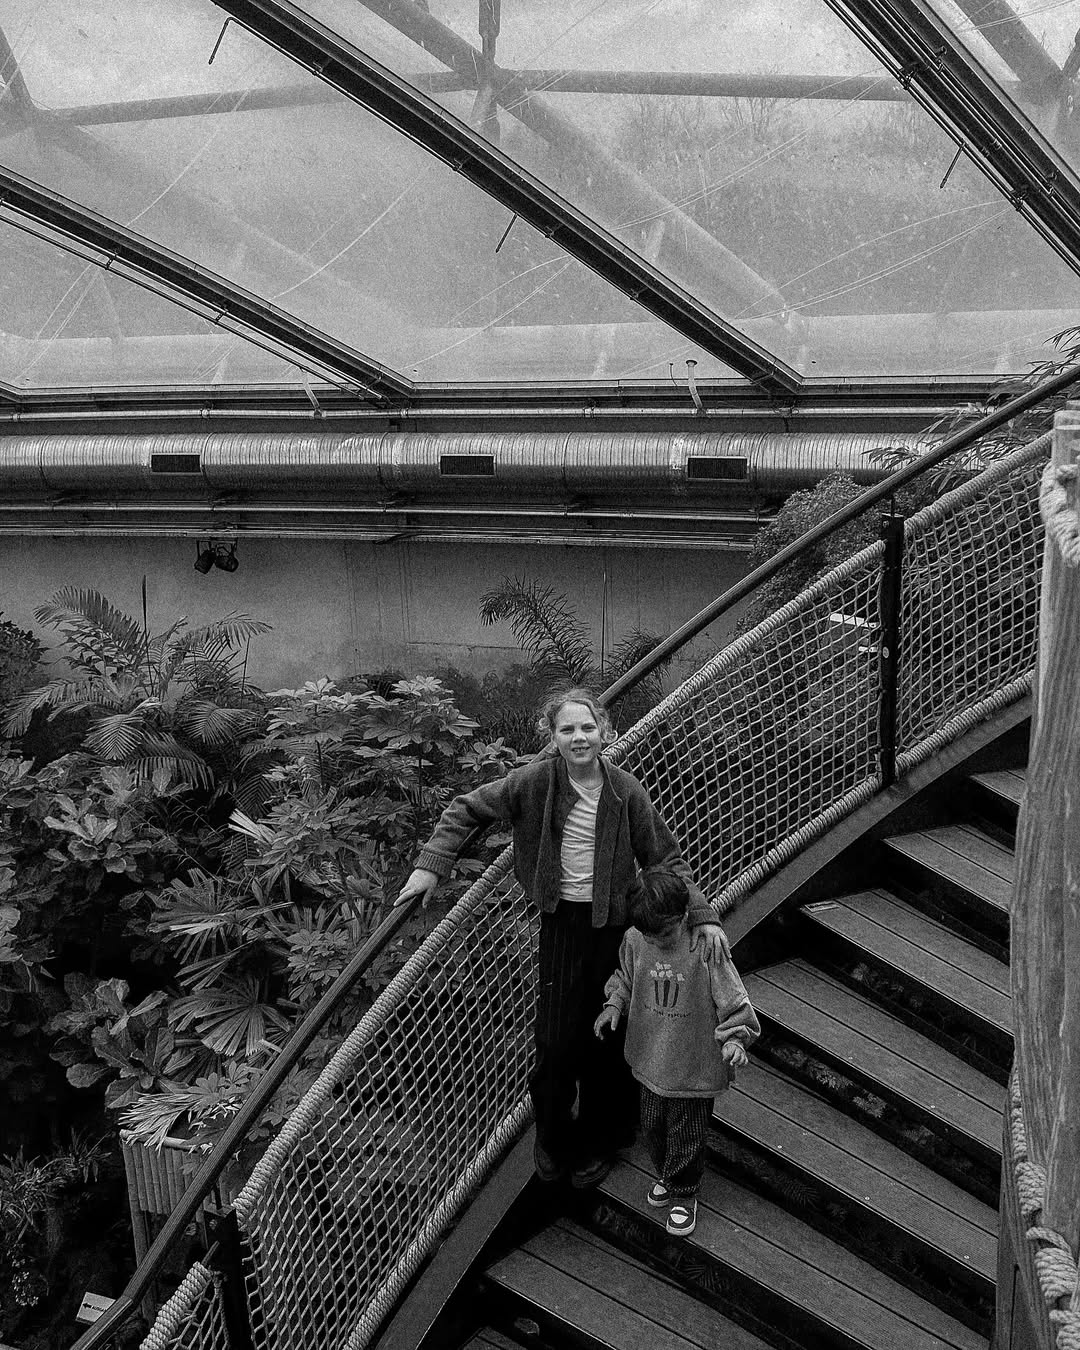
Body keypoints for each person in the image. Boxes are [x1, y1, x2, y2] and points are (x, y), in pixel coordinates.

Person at [395, 686, 730, 1188]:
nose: (580, 737)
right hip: (561, 924)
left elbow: (665, 857)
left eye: (588, 727)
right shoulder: (533, 783)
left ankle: (602, 1138)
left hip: (615, 929)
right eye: (568, 729)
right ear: (553, 737)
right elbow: (465, 808)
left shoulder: (623, 790)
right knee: (554, 1044)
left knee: (607, 1041)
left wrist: (702, 915)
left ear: (605, 732)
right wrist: (430, 868)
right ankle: (553, 1138)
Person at [593, 869, 760, 1237]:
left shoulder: (705, 946)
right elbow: (625, 975)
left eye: (664, 933)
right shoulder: (637, 939)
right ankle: (670, 1176)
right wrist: (614, 1004)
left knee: (686, 1132)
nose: (657, 940)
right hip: (651, 1056)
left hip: (692, 1063)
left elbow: (734, 999)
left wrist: (735, 1039)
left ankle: (684, 1193)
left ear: (684, 915)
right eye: (650, 934)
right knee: (652, 1126)